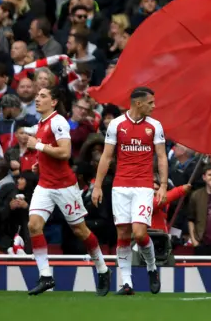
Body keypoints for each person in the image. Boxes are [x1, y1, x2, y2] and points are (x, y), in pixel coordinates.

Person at [24, 86, 110, 296]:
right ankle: (46, 276)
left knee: (80, 231)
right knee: (34, 225)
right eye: (37, 95)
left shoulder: (58, 121)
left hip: (64, 186)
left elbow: (65, 152)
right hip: (45, 184)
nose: (37, 99)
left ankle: (102, 269)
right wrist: (39, 163)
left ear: (53, 102)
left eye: (42, 96)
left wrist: (39, 147)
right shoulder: (42, 124)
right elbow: (49, 152)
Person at [92, 87, 168, 296]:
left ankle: (152, 268)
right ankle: (127, 284)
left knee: (139, 232)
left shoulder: (155, 126)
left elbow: (161, 157)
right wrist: (97, 186)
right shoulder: (116, 125)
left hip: (143, 186)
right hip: (121, 186)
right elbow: (107, 157)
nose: (154, 106)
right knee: (123, 234)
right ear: (138, 104)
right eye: (150, 102)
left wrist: (162, 185)